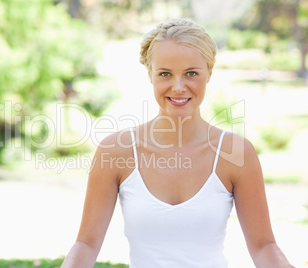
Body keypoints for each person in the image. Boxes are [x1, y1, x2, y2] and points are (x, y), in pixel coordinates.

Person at [61, 18, 294, 268]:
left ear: (209, 74)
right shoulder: (116, 151)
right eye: (165, 74)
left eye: (191, 73)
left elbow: (263, 247)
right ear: (150, 75)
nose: (179, 87)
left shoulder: (236, 153)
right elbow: (86, 243)